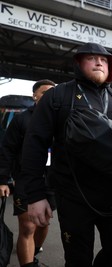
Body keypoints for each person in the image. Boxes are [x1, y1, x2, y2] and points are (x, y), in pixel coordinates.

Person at [19, 42, 112, 267]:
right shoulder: (57, 96)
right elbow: (34, 145)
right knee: (77, 259)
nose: (99, 62)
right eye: (92, 58)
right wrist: (35, 195)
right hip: (73, 195)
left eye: (104, 60)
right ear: (78, 63)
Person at [0, 80, 56, 267]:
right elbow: (7, 149)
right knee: (28, 226)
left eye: (52, 92)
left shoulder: (60, 119)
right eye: (44, 92)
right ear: (35, 96)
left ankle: (36, 249)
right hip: (26, 178)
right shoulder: (21, 119)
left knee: (44, 222)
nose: (49, 96)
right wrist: (2, 180)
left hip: (52, 180)